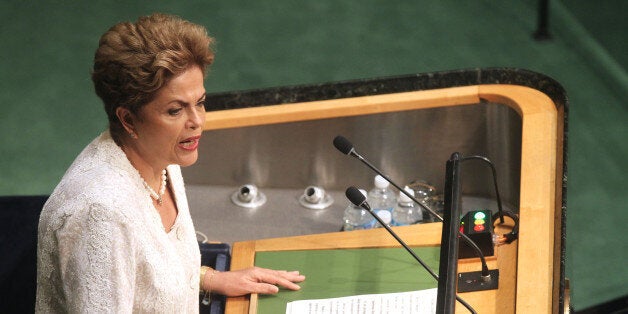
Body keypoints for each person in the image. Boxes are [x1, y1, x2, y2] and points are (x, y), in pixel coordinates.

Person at [36, 13, 305, 313]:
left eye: (200, 103)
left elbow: (149, 276)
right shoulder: (101, 215)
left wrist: (209, 277)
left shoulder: (162, 156)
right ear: (128, 118)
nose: (197, 122)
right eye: (176, 110)